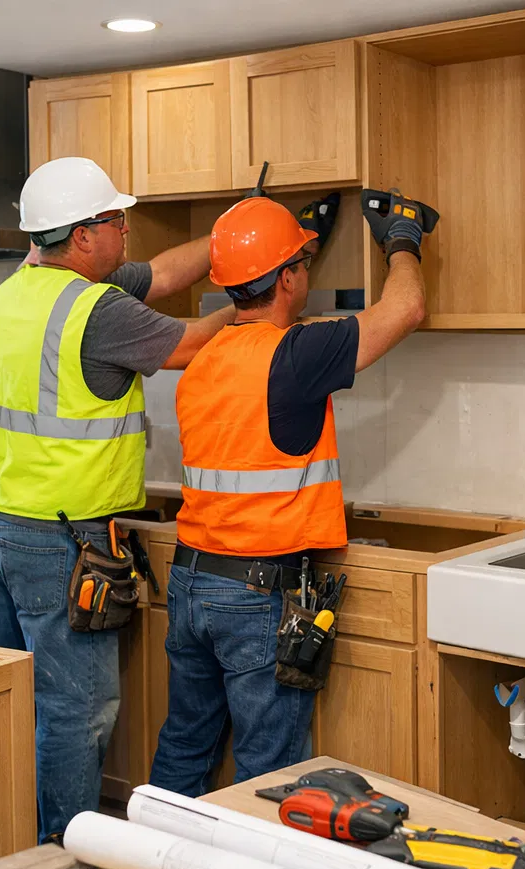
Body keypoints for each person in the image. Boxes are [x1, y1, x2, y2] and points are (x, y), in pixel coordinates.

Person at [0, 156, 237, 840]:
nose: (128, 231)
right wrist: (252, 298)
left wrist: (236, 229)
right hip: (59, 541)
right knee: (73, 711)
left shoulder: (17, 292)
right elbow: (190, 345)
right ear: (85, 235)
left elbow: (168, 274)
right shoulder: (97, 310)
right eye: (119, 220)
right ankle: (63, 859)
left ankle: (3, 847)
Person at [147, 193, 431, 794]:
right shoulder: (297, 356)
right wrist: (401, 239)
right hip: (255, 597)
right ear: (287, 280)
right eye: (301, 265)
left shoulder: (202, 358)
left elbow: (257, 311)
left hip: (193, 584)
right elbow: (405, 310)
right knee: (269, 771)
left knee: (185, 746)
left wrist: (290, 248)